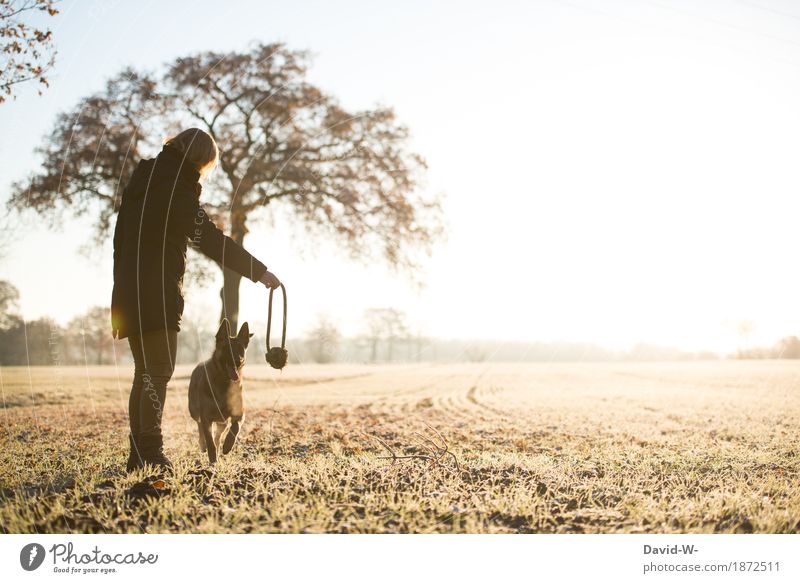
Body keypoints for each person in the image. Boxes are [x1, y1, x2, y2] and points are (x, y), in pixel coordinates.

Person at [110, 128, 280, 472]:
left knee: (144, 373)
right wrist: (257, 271)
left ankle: (138, 454)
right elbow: (209, 239)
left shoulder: (145, 177)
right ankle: (151, 453)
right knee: (157, 372)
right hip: (156, 291)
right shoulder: (176, 188)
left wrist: (122, 286)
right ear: (201, 160)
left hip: (128, 291)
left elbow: (120, 236)